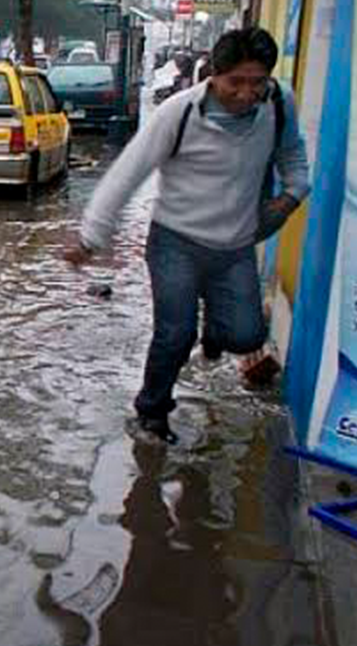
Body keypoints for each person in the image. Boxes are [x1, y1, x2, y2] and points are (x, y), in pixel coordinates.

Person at [65, 28, 311, 443]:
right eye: (236, 82)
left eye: (258, 82)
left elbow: (293, 154)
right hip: (174, 242)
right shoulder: (179, 114)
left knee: (246, 336)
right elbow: (128, 173)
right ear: (214, 75)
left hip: (235, 246)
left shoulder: (279, 103)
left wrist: (292, 194)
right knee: (176, 333)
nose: (247, 93)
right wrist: (92, 237)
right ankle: (152, 413)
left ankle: (216, 329)